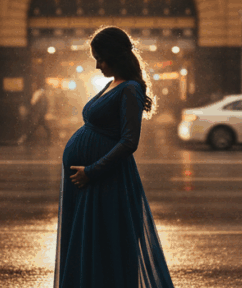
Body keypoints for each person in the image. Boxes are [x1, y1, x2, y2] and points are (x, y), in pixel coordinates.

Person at [56, 26, 174, 288]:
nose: (97, 65)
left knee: (104, 247)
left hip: (105, 180)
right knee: (89, 243)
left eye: (100, 58)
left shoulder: (130, 89)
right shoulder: (112, 84)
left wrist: (92, 170)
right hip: (91, 181)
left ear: (114, 55)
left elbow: (129, 141)